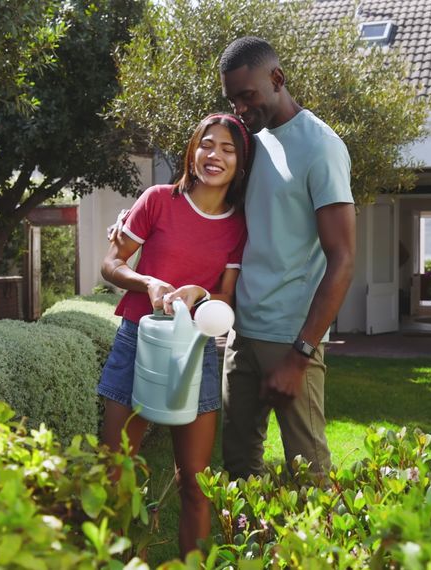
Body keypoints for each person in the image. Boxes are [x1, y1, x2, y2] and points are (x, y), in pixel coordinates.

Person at [97, 113, 252, 554]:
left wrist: (199, 292)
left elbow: (226, 298)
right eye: (207, 144)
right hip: (137, 340)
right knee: (114, 471)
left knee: (196, 483)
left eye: (227, 148)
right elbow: (111, 264)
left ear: (240, 163)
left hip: (196, 352)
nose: (214, 155)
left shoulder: (239, 225)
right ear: (192, 150)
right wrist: (148, 282)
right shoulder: (157, 200)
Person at [218, 36, 355, 479]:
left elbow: (343, 259)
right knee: (238, 468)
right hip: (242, 334)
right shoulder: (253, 143)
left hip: (290, 339)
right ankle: (248, 551)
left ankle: (321, 551)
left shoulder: (320, 147)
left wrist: (299, 356)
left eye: (247, 96)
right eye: (232, 99)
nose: (239, 108)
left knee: (308, 473)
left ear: (277, 79)